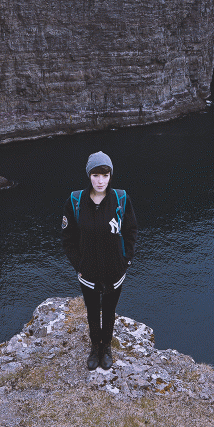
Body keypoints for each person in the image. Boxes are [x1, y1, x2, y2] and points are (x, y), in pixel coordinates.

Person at [61, 150, 138, 371]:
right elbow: (68, 239)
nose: (100, 180)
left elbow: (131, 230)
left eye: (105, 175)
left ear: (110, 175)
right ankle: (95, 348)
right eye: (96, 175)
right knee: (93, 311)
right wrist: (80, 265)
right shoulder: (75, 202)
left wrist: (126, 261)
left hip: (115, 270)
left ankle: (107, 347)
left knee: (110, 310)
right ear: (89, 176)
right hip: (89, 272)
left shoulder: (121, 199)